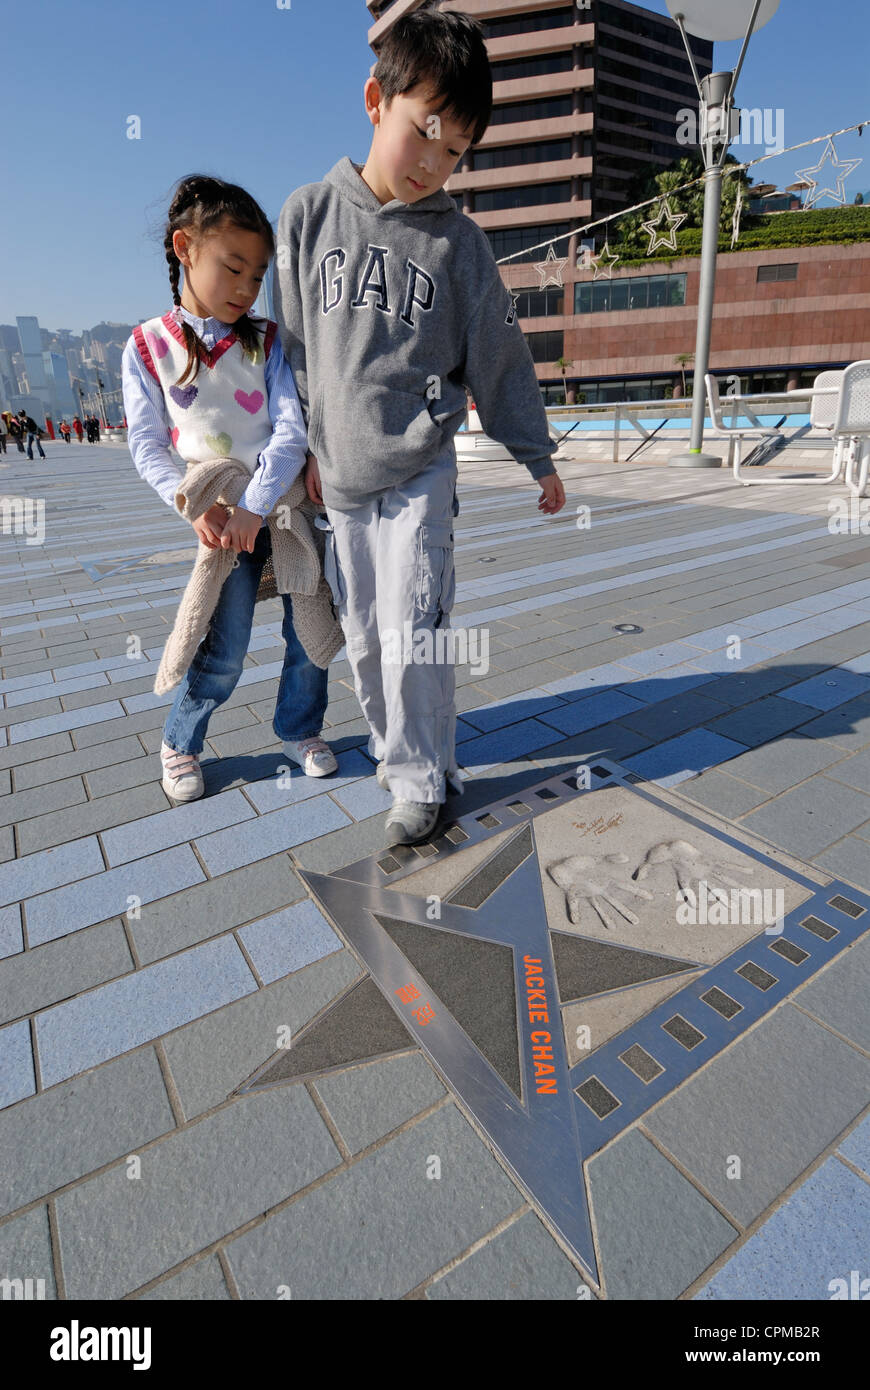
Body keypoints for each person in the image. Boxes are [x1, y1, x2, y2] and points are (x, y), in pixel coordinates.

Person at [274, 4, 566, 847]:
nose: (434, 164)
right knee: (368, 642)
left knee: (416, 632)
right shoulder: (307, 216)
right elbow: (290, 357)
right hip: (343, 481)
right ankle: (412, 753)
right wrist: (301, 461)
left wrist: (535, 454)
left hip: (420, 474)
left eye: (455, 152)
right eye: (425, 133)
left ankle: (418, 778)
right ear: (377, 99)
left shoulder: (461, 248)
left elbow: (500, 357)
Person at [122, 173, 340, 804]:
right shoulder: (146, 347)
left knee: (310, 629)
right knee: (226, 644)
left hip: (282, 506)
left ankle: (300, 729)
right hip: (218, 516)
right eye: (233, 268)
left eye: (257, 274)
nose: (247, 288)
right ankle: (181, 741)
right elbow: (148, 444)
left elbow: (290, 429)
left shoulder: (268, 339)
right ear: (184, 247)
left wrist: (256, 505)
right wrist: (192, 505)